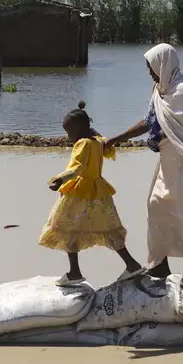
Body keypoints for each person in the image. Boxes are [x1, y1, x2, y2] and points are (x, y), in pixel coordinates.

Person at [106, 44, 183, 290]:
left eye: (152, 68)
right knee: (155, 206)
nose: (151, 74)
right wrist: (116, 139)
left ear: (164, 65)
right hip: (167, 159)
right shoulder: (160, 90)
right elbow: (149, 122)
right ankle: (160, 264)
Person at [39, 102, 144, 286]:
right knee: (110, 229)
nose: (68, 136)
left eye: (69, 131)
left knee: (67, 227)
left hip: (79, 192)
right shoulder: (98, 141)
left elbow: (77, 168)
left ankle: (74, 273)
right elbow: (101, 140)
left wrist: (60, 179)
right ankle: (132, 264)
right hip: (99, 192)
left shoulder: (82, 143)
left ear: (78, 129)